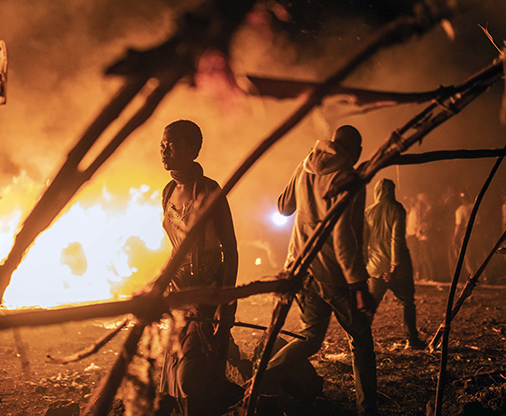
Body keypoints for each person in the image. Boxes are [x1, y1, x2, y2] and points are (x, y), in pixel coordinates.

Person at [263, 125, 378, 416]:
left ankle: (263, 379)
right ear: (357, 152)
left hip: (300, 268)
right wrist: (359, 285)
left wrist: (302, 184)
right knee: (361, 340)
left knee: (310, 338)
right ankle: (368, 410)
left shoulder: (306, 165)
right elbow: (343, 237)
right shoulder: (349, 178)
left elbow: (283, 207)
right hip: (333, 273)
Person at [158, 120, 241, 416]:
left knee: (191, 378)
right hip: (178, 295)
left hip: (207, 294)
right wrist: (159, 284)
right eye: (163, 144)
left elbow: (230, 252)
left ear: (193, 149)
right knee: (174, 384)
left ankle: (244, 396)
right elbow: (176, 249)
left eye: (172, 144)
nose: (164, 150)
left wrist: (226, 304)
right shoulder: (168, 191)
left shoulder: (209, 191)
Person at [364, 178, 427, 350]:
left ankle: (361, 341)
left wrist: (364, 265)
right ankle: (412, 339)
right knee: (407, 302)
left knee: (370, 305)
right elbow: (396, 238)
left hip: (375, 267)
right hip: (399, 268)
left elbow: (364, 242)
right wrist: (394, 265)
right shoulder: (397, 208)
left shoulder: (369, 212)